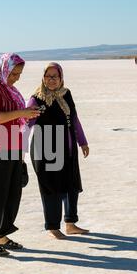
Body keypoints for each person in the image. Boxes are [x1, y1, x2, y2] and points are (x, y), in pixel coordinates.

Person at [0, 53, 40, 257]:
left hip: (12, 145)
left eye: (19, 74)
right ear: (3, 68)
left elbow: (14, 121)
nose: (16, 78)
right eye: (13, 73)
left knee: (12, 194)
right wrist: (22, 113)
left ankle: (1, 236)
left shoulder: (7, 88)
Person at [27, 62, 90, 240]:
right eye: (48, 76)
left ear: (61, 78)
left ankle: (70, 223)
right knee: (51, 188)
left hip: (68, 149)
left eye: (55, 76)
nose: (52, 80)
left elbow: (74, 119)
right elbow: (26, 124)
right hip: (45, 150)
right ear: (43, 78)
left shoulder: (66, 94)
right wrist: (18, 148)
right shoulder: (37, 98)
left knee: (71, 186)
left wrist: (82, 142)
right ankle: (53, 227)